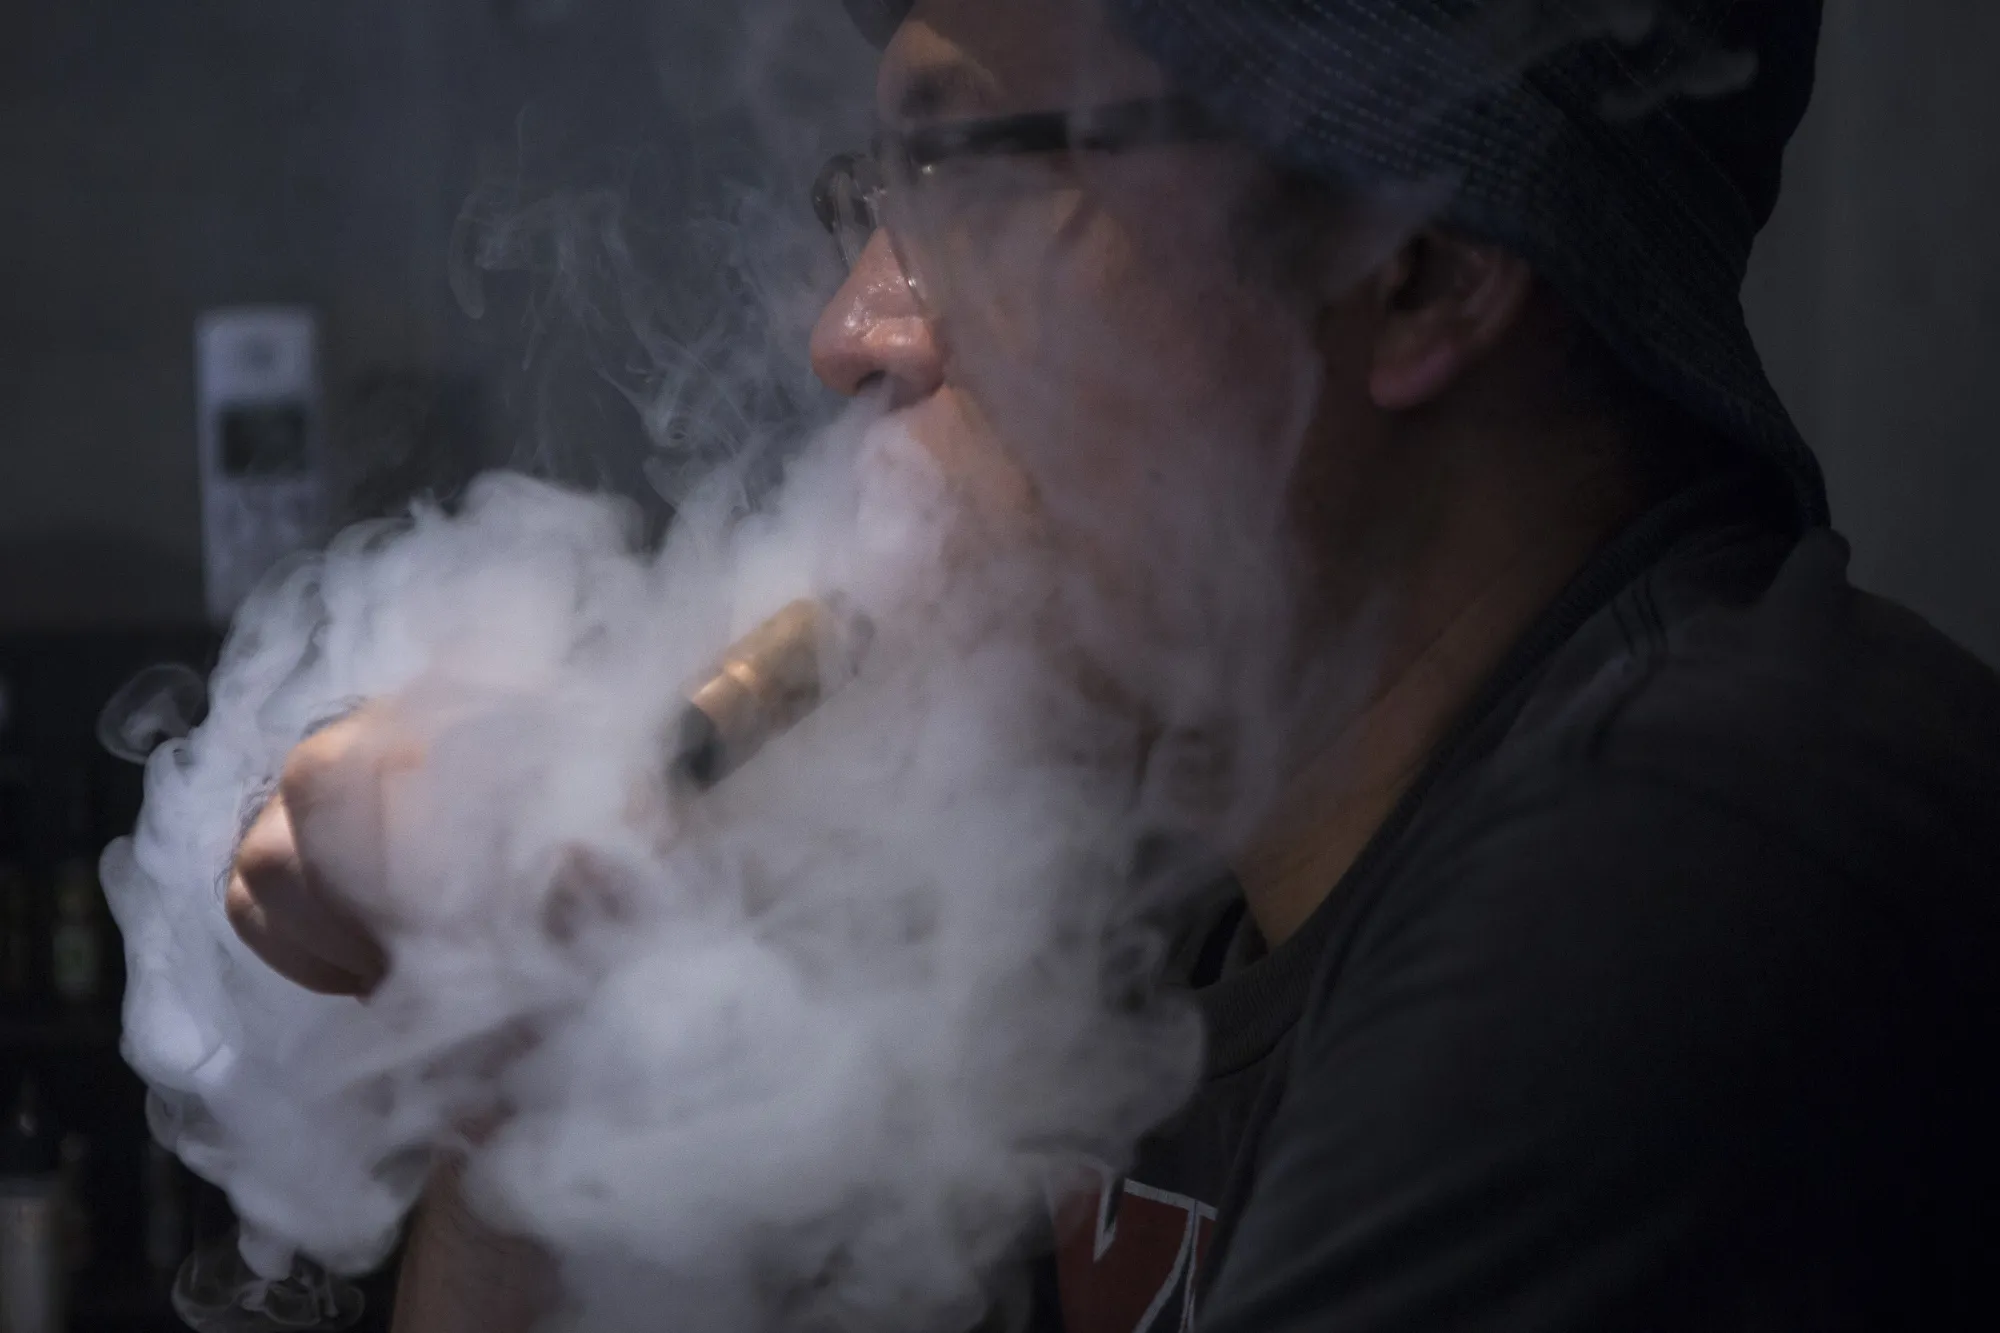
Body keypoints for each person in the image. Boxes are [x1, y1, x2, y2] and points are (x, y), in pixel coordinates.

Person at [229, 0, 2000, 1330]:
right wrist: (531, 1055)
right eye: (877, 192)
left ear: (1419, 268)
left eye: (968, 173)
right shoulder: (1147, 888)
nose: (853, 332)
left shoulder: (1683, 878)